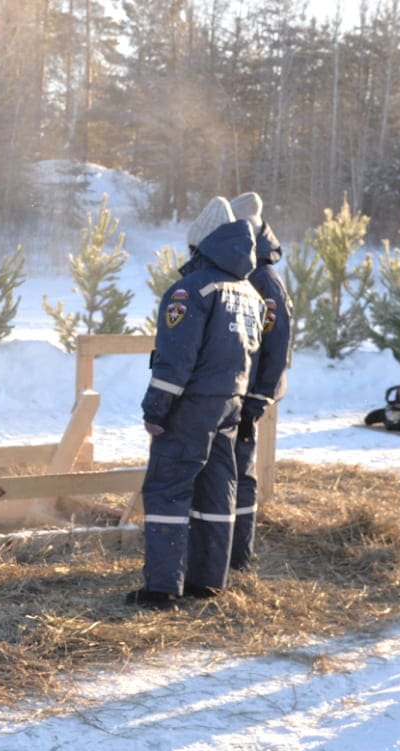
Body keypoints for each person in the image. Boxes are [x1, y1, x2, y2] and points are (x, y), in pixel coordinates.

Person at [127, 197, 265, 610]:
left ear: (200, 244)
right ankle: (208, 580)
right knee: (216, 486)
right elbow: (252, 351)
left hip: (191, 406)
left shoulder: (192, 289)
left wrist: (156, 409)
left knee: (168, 487)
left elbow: (176, 358)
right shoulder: (249, 292)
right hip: (229, 403)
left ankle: (163, 587)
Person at [227, 191, 293, 573]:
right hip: (233, 391)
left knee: (241, 473)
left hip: (248, 395)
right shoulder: (245, 272)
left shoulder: (265, 281)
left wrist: (257, 399)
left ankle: (239, 554)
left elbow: (275, 346)